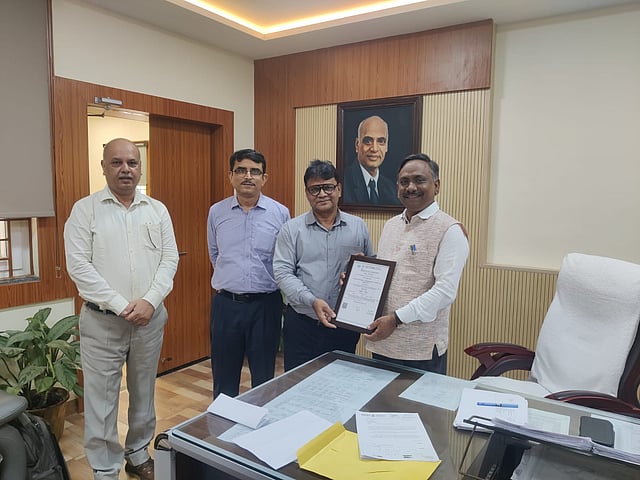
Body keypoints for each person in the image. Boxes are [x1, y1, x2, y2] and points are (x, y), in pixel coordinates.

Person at [64, 138, 179, 480]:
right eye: (116, 162)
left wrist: (150, 301)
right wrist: (122, 306)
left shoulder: (157, 210)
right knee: (101, 400)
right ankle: (104, 469)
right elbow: (79, 267)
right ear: (104, 167)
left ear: (140, 167)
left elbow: (169, 259)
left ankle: (138, 453)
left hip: (150, 320)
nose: (125, 169)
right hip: (102, 322)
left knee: (144, 392)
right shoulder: (85, 210)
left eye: (132, 162)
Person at [364, 153, 469, 374]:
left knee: (420, 399)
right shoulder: (391, 225)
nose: (411, 187)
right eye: (404, 182)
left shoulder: (450, 230)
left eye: (419, 180)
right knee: (379, 397)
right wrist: (359, 276)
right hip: (383, 342)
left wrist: (396, 319)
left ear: (436, 186)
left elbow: (444, 292)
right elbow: (388, 274)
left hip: (420, 350)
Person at [273, 160, 375, 371]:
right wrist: (312, 301)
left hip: (343, 326)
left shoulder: (358, 227)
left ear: (339, 189)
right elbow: (283, 273)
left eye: (328, 187)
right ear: (307, 193)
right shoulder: (291, 229)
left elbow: (372, 268)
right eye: (315, 189)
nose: (322, 194)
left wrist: (361, 270)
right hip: (302, 324)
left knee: (341, 382)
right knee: (298, 382)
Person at [207, 149, 290, 398]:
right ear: (230, 175)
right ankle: (222, 421)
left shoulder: (280, 213)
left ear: (264, 178)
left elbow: (284, 258)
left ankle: (261, 420)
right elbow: (215, 254)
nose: (248, 176)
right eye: (241, 170)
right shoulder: (216, 212)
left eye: (255, 171)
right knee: (224, 375)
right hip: (226, 305)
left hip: (265, 305)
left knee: (264, 376)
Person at [343, 115, 400, 205]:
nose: (374, 149)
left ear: (386, 147)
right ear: (357, 145)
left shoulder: (391, 188)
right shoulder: (343, 182)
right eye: (368, 141)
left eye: (381, 141)